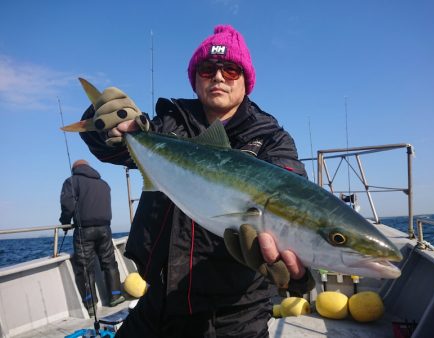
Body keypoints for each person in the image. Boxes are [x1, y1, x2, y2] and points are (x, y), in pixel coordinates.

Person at [78, 25, 315, 337]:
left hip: (234, 315)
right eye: (207, 69)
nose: (218, 77)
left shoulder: (271, 139)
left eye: (230, 70)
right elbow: (117, 150)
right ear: (195, 78)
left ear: (246, 81)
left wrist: (298, 270)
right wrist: (104, 122)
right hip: (157, 301)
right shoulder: (168, 124)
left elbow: (293, 194)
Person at [59, 159, 125, 316]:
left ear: (75, 169)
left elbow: (67, 205)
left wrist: (65, 222)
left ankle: (91, 304)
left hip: (84, 230)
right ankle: (115, 296)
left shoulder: (71, 181)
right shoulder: (104, 184)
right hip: (105, 229)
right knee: (109, 262)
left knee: (84, 266)